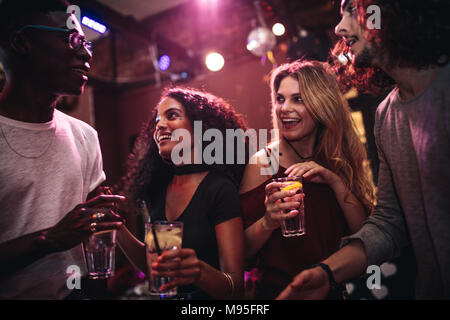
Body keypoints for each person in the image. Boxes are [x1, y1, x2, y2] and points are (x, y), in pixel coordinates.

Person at [277, 0, 450, 300]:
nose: (339, 28)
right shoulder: (387, 114)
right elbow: (388, 224)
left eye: (351, 10)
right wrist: (326, 273)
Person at [0, 0, 125, 299]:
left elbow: (95, 232)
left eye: (87, 44)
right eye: (72, 39)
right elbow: (61, 235)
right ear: (22, 42)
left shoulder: (85, 135)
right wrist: (50, 239)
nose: (85, 53)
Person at [239, 59, 375, 299]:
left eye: (298, 99)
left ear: (321, 104)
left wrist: (335, 182)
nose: (284, 108)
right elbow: (241, 254)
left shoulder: (338, 158)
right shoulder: (263, 163)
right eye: (280, 99)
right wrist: (268, 221)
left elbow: (365, 237)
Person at [117, 87, 247, 299]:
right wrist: (117, 228)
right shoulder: (159, 188)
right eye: (157, 120)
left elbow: (235, 288)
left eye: (172, 115)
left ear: (201, 126)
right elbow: (154, 265)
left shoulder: (219, 189)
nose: (159, 125)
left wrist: (200, 272)